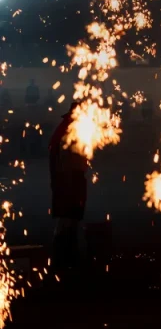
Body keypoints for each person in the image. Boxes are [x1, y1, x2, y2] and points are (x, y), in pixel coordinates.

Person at [49, 102, 87, 269]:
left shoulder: (68, 127)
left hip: (69, 178)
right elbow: (65, 160)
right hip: (68, 180)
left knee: (70, 216)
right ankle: (63, 256)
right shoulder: (68, 130)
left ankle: (68, 253)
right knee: (67, 216)